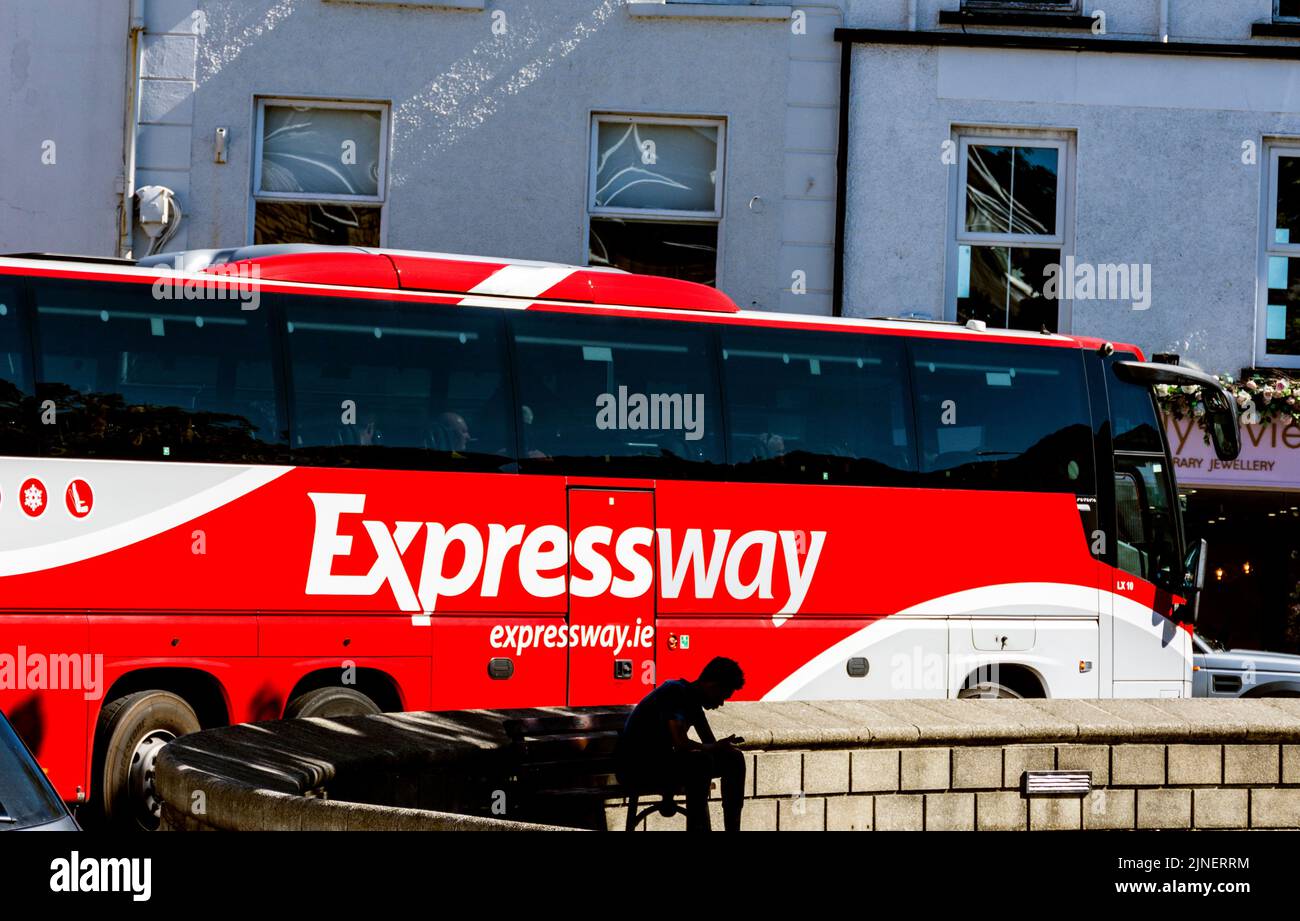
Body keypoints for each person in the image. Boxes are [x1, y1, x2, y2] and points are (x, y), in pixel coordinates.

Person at [615, 657, 747, 831]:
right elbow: (681, 743)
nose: (721, 703)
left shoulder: (693, 703)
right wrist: (713, 748)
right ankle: (698, 827)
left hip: (661, 763)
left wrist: (723, 747)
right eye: (722, 696)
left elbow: (709, 744)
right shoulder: (675, 693)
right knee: (700, 763)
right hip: (637, 767)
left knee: (734, 759)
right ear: (711, 686)